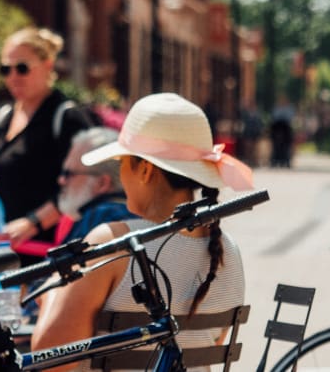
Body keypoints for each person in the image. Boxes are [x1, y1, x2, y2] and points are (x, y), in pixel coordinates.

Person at [32, 92, 254, 370]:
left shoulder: (114, 243)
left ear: (146, 170)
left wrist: (51, 291)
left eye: (122, 163)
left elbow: (49, 360)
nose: (120, 176)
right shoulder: (228, 251)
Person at [0, 27, 95, 251]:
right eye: (5, 69)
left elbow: (86, 182)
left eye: (22, 68)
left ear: (48, 65)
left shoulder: (66, 118)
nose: (13, 77)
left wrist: (33, 222)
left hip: (44, 253)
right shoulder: (3, 118)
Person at [56, 127, 135, 244]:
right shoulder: (127, 212)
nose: (61, 180)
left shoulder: (102, 215)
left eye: (69, 174)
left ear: (102, 183)